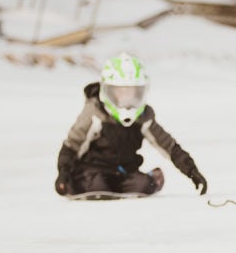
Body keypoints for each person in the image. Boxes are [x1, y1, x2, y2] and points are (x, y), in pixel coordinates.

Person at [55, 52, 208, 197]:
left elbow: (169, 146)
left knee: (142, 186)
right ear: (108, 92)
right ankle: (76, 183)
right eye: (121, 93)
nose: (126, 100)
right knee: (96, 187)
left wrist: (191, 170)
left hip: (124, 171)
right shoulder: (95, 113)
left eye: (132, 93)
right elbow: (72, 145)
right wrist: (63, 173)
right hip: (92, 170)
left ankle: (152, 178)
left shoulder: (143, 118)